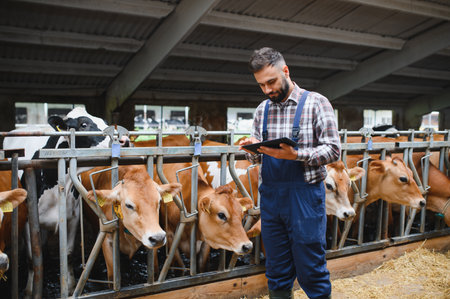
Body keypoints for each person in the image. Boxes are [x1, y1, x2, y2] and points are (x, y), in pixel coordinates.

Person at [239, 47, 340, 299]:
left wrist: (296, 155)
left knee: (310, 267)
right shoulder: (262, 109)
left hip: (304, 198)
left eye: (271, 82)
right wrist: (250, 148)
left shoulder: (317, 103)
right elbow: (257, 156)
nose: (267, 90)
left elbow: (333, 150)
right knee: (276, 268)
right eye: (261, 85)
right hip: (271, 199)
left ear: (285, 71)